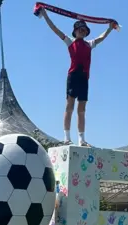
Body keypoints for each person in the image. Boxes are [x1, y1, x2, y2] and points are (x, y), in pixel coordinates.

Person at [39, 8, 115, 146]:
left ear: (86, 32)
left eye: (84, 29)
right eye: (80, 29)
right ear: (75, 31)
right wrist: (45, 15)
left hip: (84, 78)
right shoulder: (70, 42)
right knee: (69, 107)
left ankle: (81, 139)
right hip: (73, 76)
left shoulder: (89, 44)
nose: (82, 31)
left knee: (82, 110)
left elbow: (101, 38)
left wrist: (110, 28)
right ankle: (67, 137)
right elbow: (55, 29)